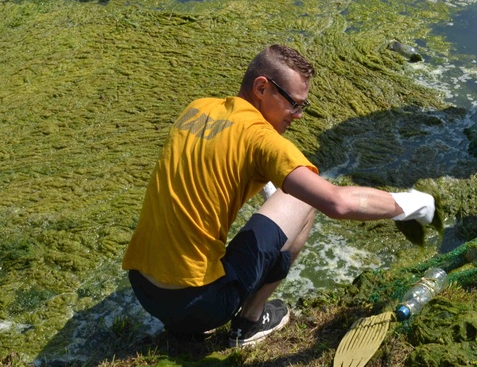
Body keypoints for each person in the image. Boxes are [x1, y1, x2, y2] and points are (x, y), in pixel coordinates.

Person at [122, 44, 436, 346]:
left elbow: (213, 171)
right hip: (201, 305)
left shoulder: (198, 108)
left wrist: (271, 183)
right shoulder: (261, 138)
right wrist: (410, 203)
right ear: (262, 87)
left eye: (303, 106)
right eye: (294, 103)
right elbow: (337, 202)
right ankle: (249, 322)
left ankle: (183, 329)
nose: (298, 115)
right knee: (306, 199)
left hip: (143, 290)